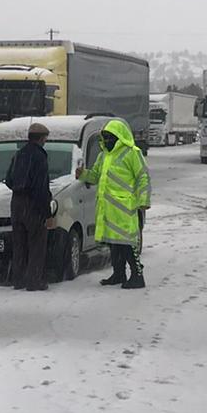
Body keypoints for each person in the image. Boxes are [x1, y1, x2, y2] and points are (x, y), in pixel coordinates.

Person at [76, 119, 151, 289]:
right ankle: (119, 273)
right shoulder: (104, 156)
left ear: (120, 137)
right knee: (114, 243)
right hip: (107, 209)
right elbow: (95, 176)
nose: (107, 140)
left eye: (111, 137)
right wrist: (83, 175)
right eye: (105, 137)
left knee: (128, 243)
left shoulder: (132, 153)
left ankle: (137, 275)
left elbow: (143, 177)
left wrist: (144, 201)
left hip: (125, 208)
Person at [4, 121, 54, 291]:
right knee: (37, 244)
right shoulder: (40, 156)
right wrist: (47, 214)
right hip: (33, 205)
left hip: (16, 203)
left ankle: (18, 280)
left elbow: (8, 180)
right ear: (41, 139)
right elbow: (41, 187)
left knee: (19, 244)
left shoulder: (19, 154)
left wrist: (19, 189)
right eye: (45, 139)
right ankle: (34, 281)